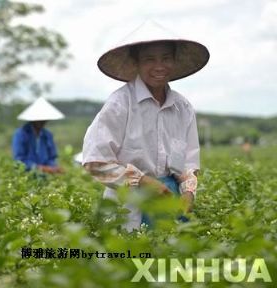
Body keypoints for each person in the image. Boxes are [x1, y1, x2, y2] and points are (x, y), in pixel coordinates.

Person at [82, 21, 210, 231]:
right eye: (149, 59)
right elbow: (95, 162)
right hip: (127, 206)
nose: (159, 66)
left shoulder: (182, 107)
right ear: (137, 63)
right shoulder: (120, 103)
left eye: (166, 58)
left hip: (170, 204)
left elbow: (189, 163)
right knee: (129, 258)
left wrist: (188, 192)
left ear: (174, 61)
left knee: (168, 258)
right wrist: (142, 181)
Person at [12, 97, 64, 174]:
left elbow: (52, 157)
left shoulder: (47, 135)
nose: (42, 121)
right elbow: (19, 160)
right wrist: (40, 168)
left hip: (46, 176)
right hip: (26, 175)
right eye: (39, 119)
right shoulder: (21, 134)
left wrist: (54, 168)